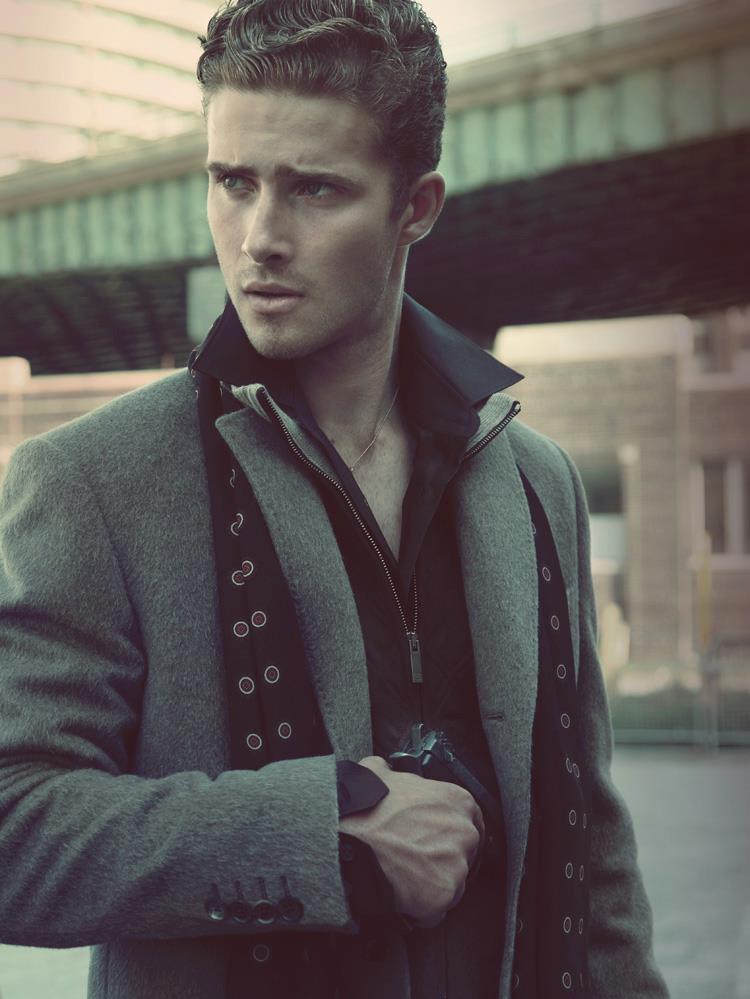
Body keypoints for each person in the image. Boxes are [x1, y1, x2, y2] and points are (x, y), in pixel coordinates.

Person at [0, 2, 669, 997]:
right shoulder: (91, 481)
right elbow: (13, 829)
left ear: (417, 207)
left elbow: (595, 868)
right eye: (233, 183)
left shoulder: (539, 484)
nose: (259, 239)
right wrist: (328, 833)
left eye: (314, 189)